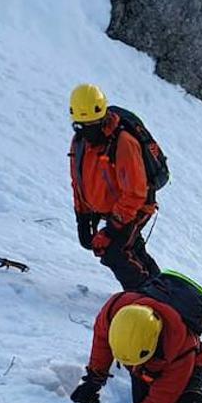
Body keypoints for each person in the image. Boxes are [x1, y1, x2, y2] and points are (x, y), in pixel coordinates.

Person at [70, 290, 202, 403]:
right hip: (145, 367)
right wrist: (94, 379)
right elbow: (102, 342)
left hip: (181, 367)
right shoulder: (114, 309)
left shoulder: (181, 350)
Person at [68, 83, 160, 290]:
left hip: (136, 207)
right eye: (81, 126)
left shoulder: (123, 143)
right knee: (131, 248)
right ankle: (162, 290)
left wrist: (111, 230)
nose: (86, 132)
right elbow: (78, 181)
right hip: (112, 209)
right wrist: (82, 217)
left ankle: (145, 296)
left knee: (114, 251)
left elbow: (135, 193)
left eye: (92, 125)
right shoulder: (80, 142)